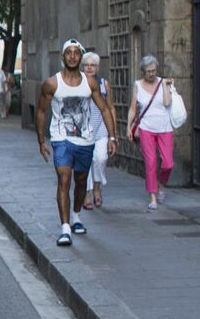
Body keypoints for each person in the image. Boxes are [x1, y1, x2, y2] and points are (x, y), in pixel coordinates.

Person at [36, 39, 119, 246]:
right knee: (64, 180)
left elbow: (105, 109)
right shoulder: (52, 83)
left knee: (81, 181)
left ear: (80, 57)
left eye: (76, 53)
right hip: (61, 139)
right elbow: (41, 111)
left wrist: (112, 136)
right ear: (63, 57)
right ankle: (65, 229)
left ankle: (76, 216)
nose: (72, 56)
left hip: (85, 140)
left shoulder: (90, 83)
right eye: (68, 53)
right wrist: (41, 140)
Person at [124, 54, 178, 211]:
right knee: (150, 162)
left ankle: (160, 184)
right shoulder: (137, 85)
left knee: (168, 163)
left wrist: (167, 87)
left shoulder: (163, 82)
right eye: (148, 71)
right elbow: (133, 108)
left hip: (165, 127)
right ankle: (153, 195)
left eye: (154, 70)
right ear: (143, 71)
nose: (152, 74)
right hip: (146, 128)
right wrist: (129, 127)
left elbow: (167, 103)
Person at [80, 51, 115, 207]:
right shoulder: (77, 83)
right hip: (83, 129)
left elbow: (110, 107)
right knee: (85, 162)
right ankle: (87, 194)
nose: (89, 68)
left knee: (101, 158)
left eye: (92, 65)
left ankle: (97, 186)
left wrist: (113, 134)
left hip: (101, 128)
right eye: (86, 65)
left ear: (97, 67)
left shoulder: (103, 84)